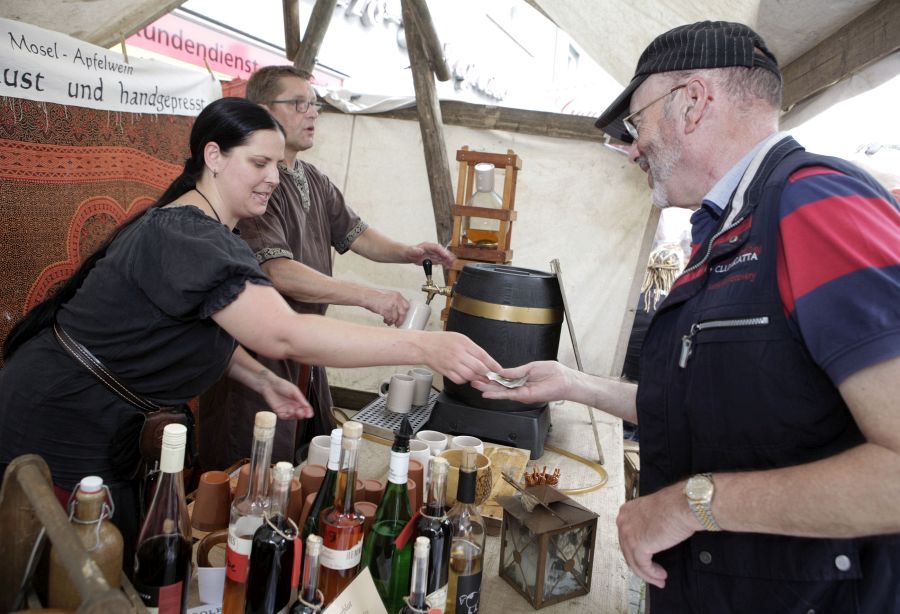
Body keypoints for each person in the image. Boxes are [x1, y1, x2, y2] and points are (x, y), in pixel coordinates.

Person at [474, 21, 900, 613]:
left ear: (693, 102)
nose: (632, 149)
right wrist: (573, 384)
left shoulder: (813, 204)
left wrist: (689, 505)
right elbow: (709, 403)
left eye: (636, 122)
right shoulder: (725, 231)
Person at [0, 97, 499, 573]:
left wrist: (261, 378)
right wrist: (422, 345)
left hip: (100, 418)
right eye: (259, 163)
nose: (273, 178)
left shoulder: (208, 231)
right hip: (63, 416)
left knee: (113, 555)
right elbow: (285, 333)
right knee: (68, 568)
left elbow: (200, 324)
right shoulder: (189, 235)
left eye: (277, 165)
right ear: (213, 157)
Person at [200, 66, 456, 469]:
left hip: (306, 352)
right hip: (257, 356)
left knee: (300, 464)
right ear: (262, 110)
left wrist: (408, 252)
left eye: (314, 104)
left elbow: (356, 234)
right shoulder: (253, 189)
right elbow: (279, 272)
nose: (312, 113)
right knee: (247, 471)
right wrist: (368, 296)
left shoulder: (313, 179)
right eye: (298, 103)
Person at [621, 244, 684, 440]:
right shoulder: (676, 305)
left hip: (623, 384)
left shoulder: (631, 300)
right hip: (652, 394)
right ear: (676, 272)